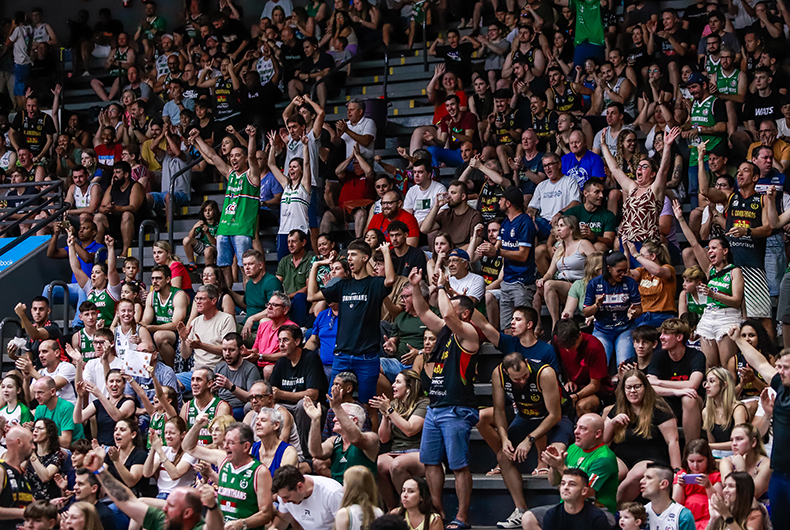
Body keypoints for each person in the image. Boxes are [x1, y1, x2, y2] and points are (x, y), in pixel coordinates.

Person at [408, 265, 479, 529]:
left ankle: (462, 516)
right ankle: (437, 512)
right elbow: (424, 311)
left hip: (457, 407)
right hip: (436, 408)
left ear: (465, 312)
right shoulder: (445, 331)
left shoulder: (469, 334)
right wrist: (416, 286)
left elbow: (447, 314)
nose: (445, 308)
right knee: (430, 463)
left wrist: (440, 286)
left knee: (459, 466)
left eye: (451, 304)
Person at [308, 240, 395, 407]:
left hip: (367, 357)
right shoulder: (342, 285)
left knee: (369, 404)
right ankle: (334, 433)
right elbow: (311, 296)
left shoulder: (374, 284)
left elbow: (390, 280)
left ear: (365, 258)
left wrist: (385, 252)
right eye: (348, 255)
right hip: (342, 356)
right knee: (334, 401)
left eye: (353, 255)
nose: (349, 258)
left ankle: (371, 433)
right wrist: (315, 266)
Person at [490, 352, 572, 529]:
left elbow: (554, 415)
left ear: (527, 363)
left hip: (555, 418)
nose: (522, 382)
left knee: (556, 455)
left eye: (525, 376)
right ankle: (520, 511)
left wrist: (529, 440)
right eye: (516, 379)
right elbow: (499, 411)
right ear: (506, 372)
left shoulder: (545, 373)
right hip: (525, 416)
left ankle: (567, 512)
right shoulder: (498, 374)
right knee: (503, 456)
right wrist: (504, 439)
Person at [80, 443, 220, 530]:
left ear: (187, 513)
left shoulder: (199, 527)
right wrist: (99, 470)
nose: (164, 508)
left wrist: (212, 507)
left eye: (171, 506)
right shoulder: (162, 521)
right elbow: (127, 501)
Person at [673, 201, 744, 372]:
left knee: (727, 367)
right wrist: (681, 219)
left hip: (728, 318)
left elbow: (736, 301)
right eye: (709, 248)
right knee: (710, 367)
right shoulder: (710, 269)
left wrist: (713, 295)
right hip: (708, 317)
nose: (710, 251)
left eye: (714, 248)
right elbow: (695, 244)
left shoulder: (735, 272)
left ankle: (730, 398)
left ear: (725, 251)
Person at [190, 125, 262, 289]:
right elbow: (213, 156)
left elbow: (252, 155)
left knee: (245, 268)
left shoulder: (251, 175)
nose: (233, 158)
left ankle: (248, 301)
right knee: (223, 267)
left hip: (242, 228)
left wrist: (251, 137)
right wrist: (198, 139)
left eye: (237, 155)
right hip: (224, 229)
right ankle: (228, 299)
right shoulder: (230, 174)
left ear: (244, 159)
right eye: (231, 156)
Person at [603, 369, 681, 503]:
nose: (632, 391)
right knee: (608, 470)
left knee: (635, 475)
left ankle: (612, 507)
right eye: (628, 387)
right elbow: (603, 441)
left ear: (645, 387)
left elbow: (672, 441)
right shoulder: (618, 408)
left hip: (650, 457)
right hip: (622, 456)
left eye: (637, 386)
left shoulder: (659, 409)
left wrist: (676, 471)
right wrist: (612, 423)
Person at [183, 419, 273, 530]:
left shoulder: (260, 472)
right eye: (225, 441)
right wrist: (197, 425)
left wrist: (242, 523)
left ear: (245, 446)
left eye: (231, 443)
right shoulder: (222, 459)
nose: (225, 446)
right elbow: (188, 448)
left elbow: (266, 514)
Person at [477, 186, 538, 331]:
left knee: (523, 329)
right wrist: (485, 249)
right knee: (507, 328)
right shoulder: (505, 222)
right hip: (507, 282)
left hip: (522, 283)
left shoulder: (525, 223)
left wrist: (497, 252)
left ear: (509, 203)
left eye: (501, 199)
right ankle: (511, 355)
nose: (498, 201)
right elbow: (497, 246)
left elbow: (523, 255)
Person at [369, 369, 430, 510]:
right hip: (397, 451)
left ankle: (407, 508)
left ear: (409, 388)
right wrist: (385, 416)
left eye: (398, 382)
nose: (393, 386)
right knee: (377, 463)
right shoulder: (394, 405)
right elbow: (383, 439)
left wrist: (390, 411)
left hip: (418, 452)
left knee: (397, 465)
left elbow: (410, 430)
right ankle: (392, 509)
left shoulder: (423, 403)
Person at [270, 324, 327, 458]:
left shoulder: (310, 359)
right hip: (286, 407)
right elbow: (271, 391)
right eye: (279, 340)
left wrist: (282, 394)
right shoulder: (281, 362)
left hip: (314, 408)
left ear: (297, 341)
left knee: (303, 405)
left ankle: (306, 455)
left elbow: (313, 394)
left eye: (285, 340)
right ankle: (268, 451)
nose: (281, 344)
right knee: (254, 406)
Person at [648, 318, 706, 443]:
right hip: (668, 402)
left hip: (694, 404)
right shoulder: (658, 356)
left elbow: (692, 385)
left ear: (679, 337)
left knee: (688, 398)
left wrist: (659, 382)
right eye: (661, 333)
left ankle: (692, 448)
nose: (661, 337)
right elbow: (649, 387)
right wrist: (675, 392)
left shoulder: (696, 356)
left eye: (666, 334)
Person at [305, 388, 379, 483]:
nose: (334, 419)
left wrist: (337, 407)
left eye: (339, 415)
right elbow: (316, 452)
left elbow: (356, 439)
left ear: (354, 420)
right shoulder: (334, 441)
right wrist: (315, 420)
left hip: (362, 494)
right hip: (339, 492)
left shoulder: (371, 438)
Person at [583, 250, 642, 368]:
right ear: (609, 268)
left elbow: (639, 309)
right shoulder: (594, 283)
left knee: (624, 364)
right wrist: (596, 305)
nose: (623, 274)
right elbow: (586, 312)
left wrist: (634, 312)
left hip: (625, 328)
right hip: (602, 330)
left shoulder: (630, 283)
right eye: (619, 271)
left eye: (625, 270)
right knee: (599, 364)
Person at [176, 284, 236, 381]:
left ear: (213, 301)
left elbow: (229, 351)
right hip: (196, 371)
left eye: (202, 299)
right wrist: (183, 339)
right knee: (170, 381)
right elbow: (186, 355)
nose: (198, 302)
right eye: (196, 299)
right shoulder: (195, 321)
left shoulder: (226, 319)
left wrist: (202, 346)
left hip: (216, 372)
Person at [524, 468, 612, 530]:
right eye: (563, 484)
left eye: (572, 484)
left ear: (584, 491)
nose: (565, 487)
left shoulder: (597, 517)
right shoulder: (552, 515)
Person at [141, 265, 190, 368]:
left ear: (168, 279)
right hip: (161, 331)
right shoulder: (152, 295)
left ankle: (173, 369)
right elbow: (145, 321)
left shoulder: (178, 295)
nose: (154, 281)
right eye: (153, 278)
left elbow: (176, 325)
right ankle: (144, 368)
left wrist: (154, 328)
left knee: (159, 336)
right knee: (140, 331)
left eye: (158, 278)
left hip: (181, 334)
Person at [73, 369, 135, 447]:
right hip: (101, 448)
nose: (114, 384)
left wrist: (99, 395)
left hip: (120, 448)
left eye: (118, 381)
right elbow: (77, 419)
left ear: (124, 384)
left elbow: (117, 417)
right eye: (111, 381)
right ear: (106, 384)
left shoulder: (129, 402)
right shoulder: (98, 403)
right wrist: (80, 397)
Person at [270, 464, 344, 530]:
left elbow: (346, 524)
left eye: (287, 497)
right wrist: (274, 527)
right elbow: (283, 519)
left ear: (300, 486)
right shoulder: (284, 495)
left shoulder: (332, 493)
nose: (284, 501)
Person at [672, 439, 722, 530]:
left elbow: (718, 502)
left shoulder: (715, 476)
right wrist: (680, 487)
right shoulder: (682, 474)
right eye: (691, 461)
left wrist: (708, 486)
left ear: (708, 459)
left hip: (708, 518)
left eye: (700, 461)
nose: (695, 465)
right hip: (686, 518)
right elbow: (676, 503)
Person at [142, 416, 197, 499]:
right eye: (166, 433)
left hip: (181, 498)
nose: (168, 436)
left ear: (183, 435)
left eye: (172, 433)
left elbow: (175, 475)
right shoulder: (164, 450)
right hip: (161, 495)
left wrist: (159, 451)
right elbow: (147, 473)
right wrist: (153, 448)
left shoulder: (189, 453)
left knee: (142, 502)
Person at [718, 422, 772, 502]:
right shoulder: (726, 462)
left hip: (761, 507)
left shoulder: (767, 464)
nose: (734, 444)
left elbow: (751, 495)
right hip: (734, 506)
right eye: (732, 440)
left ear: (753, 442)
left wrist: (741, 469)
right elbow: (729, 492)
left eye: (739, 439)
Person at [213, 332, 263, 420]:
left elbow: (251, 398)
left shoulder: (250, 369)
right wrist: (211, 390)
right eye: (224, 350)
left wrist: (231, 387)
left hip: (239, 407)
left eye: (231, 350)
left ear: (240, 350)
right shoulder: (219, 368)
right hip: (220, 406)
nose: (227, 353)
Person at [703, 367, 749, 458]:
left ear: (724, 385)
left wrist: (708, 446)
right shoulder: (706, 412)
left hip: (737, 455)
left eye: (711, 381)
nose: (706, 386)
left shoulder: (738, 409)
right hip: (717, 455)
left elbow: (740, 443)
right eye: (706, 382)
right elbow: (712, 443)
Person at [179, 368, 232, 445]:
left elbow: (220, 442)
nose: (194, 383)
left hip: (211, 454)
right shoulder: (186, 407)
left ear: (209, 383)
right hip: (189, 453)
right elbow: (181, 436)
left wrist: (200, 452)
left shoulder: (221, 407)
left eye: (199, 380)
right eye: (192, 380)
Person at [31, 377, 83, 448]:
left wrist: (43, 435)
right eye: (35, 393)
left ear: (52, 392)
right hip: (50, 448)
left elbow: (66, 442)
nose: (36, 397)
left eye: (40, 392)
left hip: (73, 451)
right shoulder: (39, 408)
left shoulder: (66, 407)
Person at [0, 426, 35, 525]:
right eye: (31, 442)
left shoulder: (22, 471)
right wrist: (23, 513)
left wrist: (50, 505)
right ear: (19, 442)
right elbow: (28, 511)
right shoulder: (1, 470)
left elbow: (34, 506)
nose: (34, 447)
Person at [250, 406, 299, 474]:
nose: (257, 423)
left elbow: (282, 483)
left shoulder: (289, 452)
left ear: (276, 425)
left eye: (263, 420)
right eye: (257, 419)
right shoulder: (253, 448)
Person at [25, 418, 64, 500]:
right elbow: (19, 471)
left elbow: (45, 477)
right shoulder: (28, 453)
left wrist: (31, 453)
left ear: (49, 433)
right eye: (34, 428)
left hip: (49, 504)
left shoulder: (57, 454)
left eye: (40, 428)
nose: (35, 431)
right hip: (30, 503)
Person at [335, 466, 384, 530]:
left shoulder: (344, 513)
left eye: (344, 484)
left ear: (350, 488)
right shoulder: (379, 512)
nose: (342, 488)